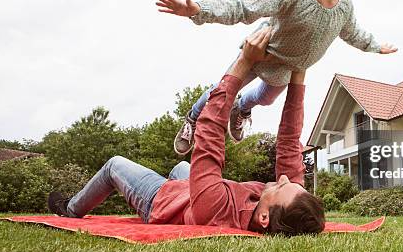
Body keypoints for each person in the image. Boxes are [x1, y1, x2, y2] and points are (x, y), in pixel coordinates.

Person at [48, 28, 325, 236]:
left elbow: (210, 133)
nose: (285, 177)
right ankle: (185, 187)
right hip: (195, 195)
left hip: (161, 202)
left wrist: (243, 62)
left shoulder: (215, 209)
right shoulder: (278, 204)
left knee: (114, 166)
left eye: (282, 186)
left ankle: (70, 209)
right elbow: (289, 140)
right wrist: (299, 75)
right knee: (182, 167)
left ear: (264, 217)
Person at [156, 0, 398, 155]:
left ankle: (242, 109)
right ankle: (193, 118)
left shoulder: (345, 5)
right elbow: (245, 8)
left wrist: (376, 46)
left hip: (287, 69)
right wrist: (199, 10)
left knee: (266, 99)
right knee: (222, 92)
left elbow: (353, 32)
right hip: (260, 54)